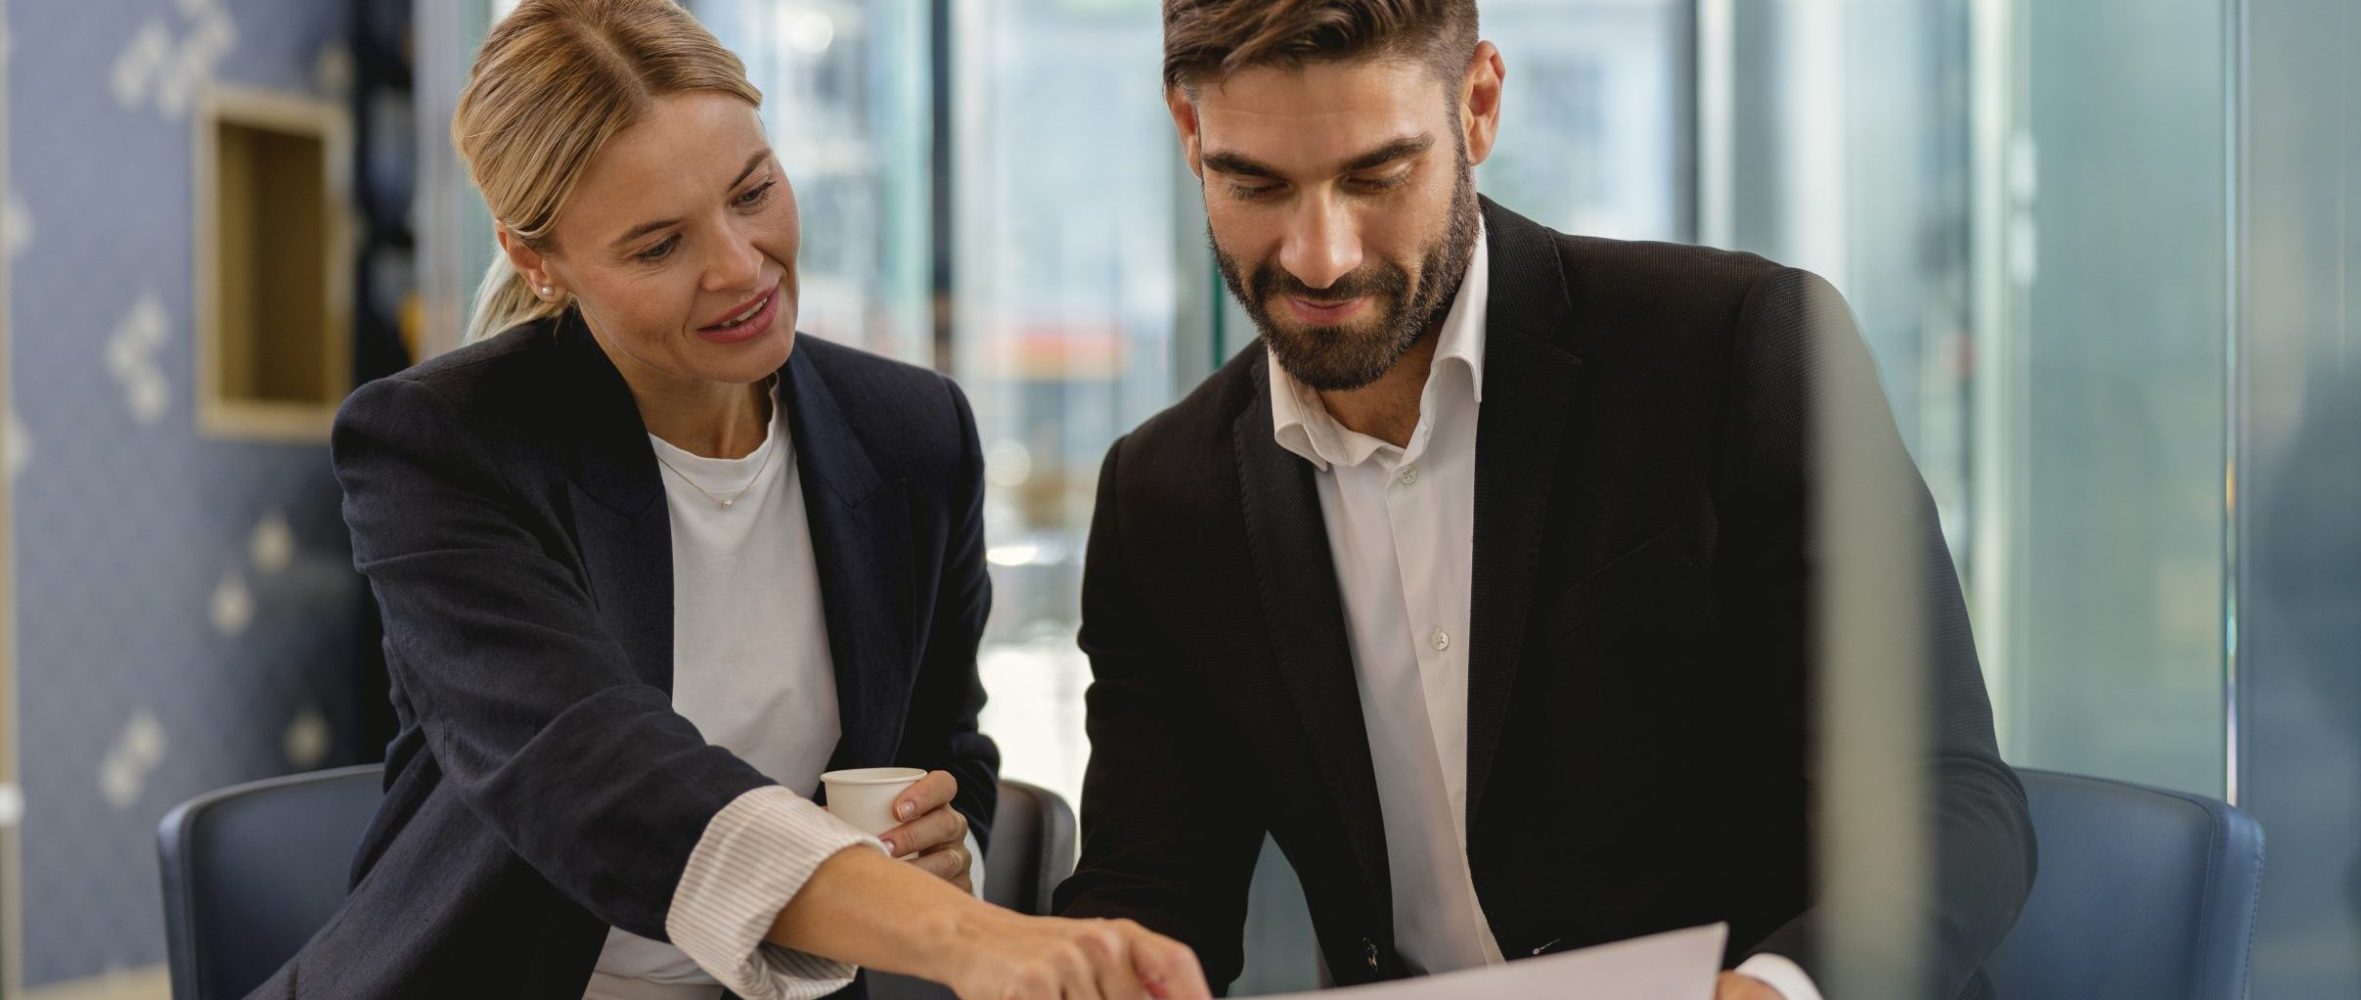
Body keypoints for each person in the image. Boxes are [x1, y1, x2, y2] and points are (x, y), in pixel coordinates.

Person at [1052, 2, 2036, 997]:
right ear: (1191, 132)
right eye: (1256, 185)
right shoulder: (1165, 497)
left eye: (1376, 177)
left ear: (1478, 105)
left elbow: (1953, 804)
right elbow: (1148, 897)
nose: (1321, 256)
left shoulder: (1733, 350)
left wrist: (1780, 987)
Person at [266, 2, 1208, 998]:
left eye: (753, 191)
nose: (739, 265)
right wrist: (966, 936)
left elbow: (946, 752)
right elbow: (597, 771)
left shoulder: (913, 433)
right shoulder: (442, 446)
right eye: (658, 246)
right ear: (537, 260)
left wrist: (942, 851)